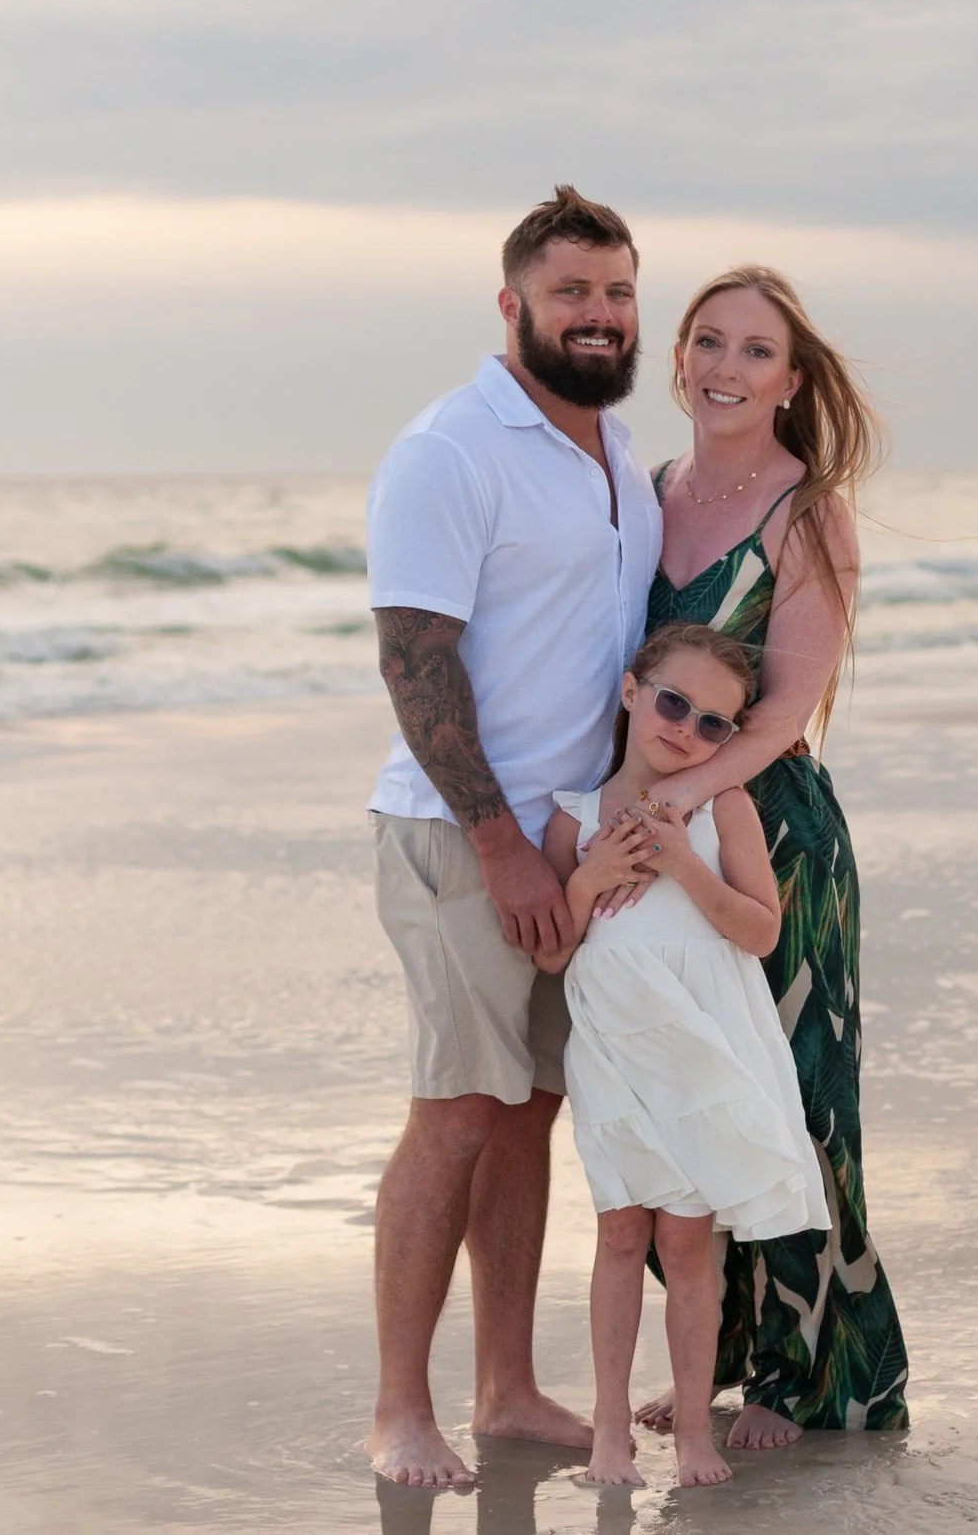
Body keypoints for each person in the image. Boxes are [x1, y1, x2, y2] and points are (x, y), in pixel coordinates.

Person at [362, 186, 662, 1489]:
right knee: (458, 1109)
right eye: (571, 296)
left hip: (571, 845)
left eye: (616, 294)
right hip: (459, 836)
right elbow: (414, 658)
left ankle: (506, 1387)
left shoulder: (614, 458)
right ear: (513, 309)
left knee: (531, 1109)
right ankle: (399, 1410)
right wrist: (499, 845)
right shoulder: (450, 450)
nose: (597, 319)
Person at [622, 265, 911, 1443]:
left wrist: (677, 797)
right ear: (678, 359)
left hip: (772, 834)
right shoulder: (643, 494)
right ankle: (723, 1361)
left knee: (792, 1092)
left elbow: (786, 706)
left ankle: (818, 1373)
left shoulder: (808, 513)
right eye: (708, 342)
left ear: (791, 381)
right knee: (689, 1087)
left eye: (755, 351)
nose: (725, 368)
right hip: (661, 829)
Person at [532, 622, 831, 1490]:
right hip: (617, 1052)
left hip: (699, 1052)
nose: (687, 730)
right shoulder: (573, 817)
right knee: (621, 1233)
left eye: (713, 724)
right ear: (630, 692)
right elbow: (552, 956)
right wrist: (588, 879)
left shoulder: (722, 808)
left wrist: (680, 864)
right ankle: (610, 1435)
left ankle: (696, 1430)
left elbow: (762, 928)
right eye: (672, 703)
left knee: (690, 1242)